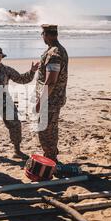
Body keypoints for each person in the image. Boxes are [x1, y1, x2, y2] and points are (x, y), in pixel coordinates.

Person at [0, 47, 39, 158]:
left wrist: (32, 71)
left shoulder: (6, 70)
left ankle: (17, 151)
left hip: (6, 102)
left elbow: (22, 79)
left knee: (15, 125)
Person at [36, 24, 68, 162]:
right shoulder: (57, 50)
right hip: (53, 98)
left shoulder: (54, 54)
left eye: (42, 34)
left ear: (47, 35)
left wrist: (41, 100)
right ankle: (51, 156)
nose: (42, 37)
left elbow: (51, 80)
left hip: (50, 100)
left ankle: (51, 158)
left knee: (45, 130)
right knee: (50, 128)